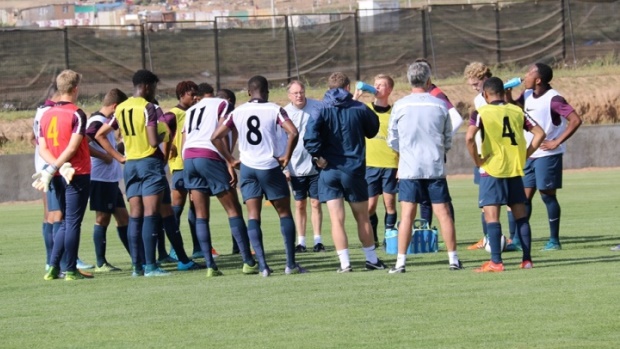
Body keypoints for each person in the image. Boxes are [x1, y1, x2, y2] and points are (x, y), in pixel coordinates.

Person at [211, 75, 305, 277]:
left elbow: (215, 137)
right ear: (267, 91)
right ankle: (290, 265)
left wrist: (230, 160)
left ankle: (263, 266)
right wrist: (286, 156)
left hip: (247, 168)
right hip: (270, 166)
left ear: (248, 92)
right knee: (284, 213)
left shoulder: (238, 112)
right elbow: (293, 132)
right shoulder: (274, 109)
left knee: (253, 216)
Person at [304, 71, 386, 273]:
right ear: (348, 88)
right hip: (354, 170)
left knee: (336, 219)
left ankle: (345, 263)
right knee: (362, 217)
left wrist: (317, 156)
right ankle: (371, 259)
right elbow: (373, 129)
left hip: (329, 170)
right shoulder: (359, 108)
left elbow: (309, 136)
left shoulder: (320, 108)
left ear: (329, 88)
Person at [386, 62, 462, 273]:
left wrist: (405, 153)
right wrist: (438, 151)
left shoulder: (400, 105)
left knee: (407, 214)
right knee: (443, 213)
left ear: (409, 81)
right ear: (429, 81)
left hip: (409, 169)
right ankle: (453, 259)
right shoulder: (439, 105)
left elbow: (392, 139)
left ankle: (400, 262)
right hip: (434, 167)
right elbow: (447, 137)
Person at [465, 77, 546, 271]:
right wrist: (525, 153)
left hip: (492, 170)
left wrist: (478, 161)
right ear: (503, 92)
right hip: (514, 169)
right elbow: (540, 133)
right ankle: (527, 260)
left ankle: (496, 262)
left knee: (492, 217)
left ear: (485, 94)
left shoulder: (481, 112)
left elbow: (469, 138)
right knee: (521, 217)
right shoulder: (517, 111)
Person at [96, 69, 170, 277]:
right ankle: (151, 266)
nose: (154, 91)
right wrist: (165, 133)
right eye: (154, 87)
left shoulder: (121, 108)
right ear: (146, 86)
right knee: (151, 214)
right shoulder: (149, 108)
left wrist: (119, 158)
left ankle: (137, 267)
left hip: (130, 166)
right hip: (148, 162)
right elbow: (154, 140)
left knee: (135, 216)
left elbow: (101, 134)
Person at [181, 87, 258, 277]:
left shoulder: (191, 110)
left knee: (201, 214)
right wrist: (229, 160)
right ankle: (248, 261)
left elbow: (184, 140)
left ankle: (210, 265)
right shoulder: (223, 104)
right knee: (233, 209)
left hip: (189, 158)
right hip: (209, 155)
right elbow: (222, 133)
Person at [506, 62, 583, 251]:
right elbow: (516, 110)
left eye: (528, 73)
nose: (524, 76)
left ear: (538, 79)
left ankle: (554, 241)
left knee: (547, 196)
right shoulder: (526, 94)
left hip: (548, 155)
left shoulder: (554, 99)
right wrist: (507, 93)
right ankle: (517, 240)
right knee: (522, 198)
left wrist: (556, 141)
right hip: (529, 154)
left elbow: (575, 120)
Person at [36, 69, 92, 281]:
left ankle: (52, 266)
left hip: (58, 174)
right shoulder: (77, 113)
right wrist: (58, 167)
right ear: (75, 89)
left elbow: (42, 148)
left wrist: (53, 167)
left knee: (66, 222)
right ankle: (69, 269)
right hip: (76, 173)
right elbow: (71, 148)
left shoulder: (46, 113)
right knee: (73, 222)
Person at [463, 62, 517, 251]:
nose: (475, 88)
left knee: (509, 202)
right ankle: (488, 238)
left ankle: (512, 239)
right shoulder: (479, 100)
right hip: (483, 153)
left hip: (497, 157)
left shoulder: (495, 99)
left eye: (476, 84)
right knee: (485, 203)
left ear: (485, 80)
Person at [161, 81, 211, 261]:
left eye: (196, 94)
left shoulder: (194, 112)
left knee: (196, 205)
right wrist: (170, 144)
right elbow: (161, 124)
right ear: (182, 95)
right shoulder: (174, 114)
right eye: (191, 94)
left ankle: (199, 247)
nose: (195, 98)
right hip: (180, 166)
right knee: (176, 207)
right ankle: (174, 247)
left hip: (193, 163)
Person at [85, 88, 130, 272]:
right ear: (116, 106)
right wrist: (103, 155)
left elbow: (107, 145)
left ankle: (138, 257)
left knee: (123, 217)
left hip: (110, 179)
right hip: (99, 178)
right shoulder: (96, 121)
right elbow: (84, 141)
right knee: (102, 218)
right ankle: (101, 262)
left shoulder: (104, 122)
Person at [414, 58, 462, 227]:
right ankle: (426, 232)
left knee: (440, 195)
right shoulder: (424, 94)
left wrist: (441, 139)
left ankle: (447, 231)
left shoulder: (436, 94)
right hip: (422, 152)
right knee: (424, 196)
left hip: (432, 152)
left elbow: (456, 118)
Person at [352, 74, 398, 248]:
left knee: (390, 204)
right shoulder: (365, 109)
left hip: (390, 164)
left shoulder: (395, 112)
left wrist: (400, 164)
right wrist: (356, 96)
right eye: (376, 84)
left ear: (390, 89)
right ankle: (374, 237)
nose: (377, 88)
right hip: (370, 165)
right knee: (370, 206)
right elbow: (348, 109)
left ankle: (389, 235)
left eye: (382, 85)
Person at [283, 80, 324, 253]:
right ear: (289, 95)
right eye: (295, 93)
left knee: (315, 203)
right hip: (295, 166)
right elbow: (281, 140)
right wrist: (284, 167)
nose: (299, 95)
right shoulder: (284, 112)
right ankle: (301, 241)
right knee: (299, 204)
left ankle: (318, 240)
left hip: (315, 165)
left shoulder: (317, 107)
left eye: (301, 92)